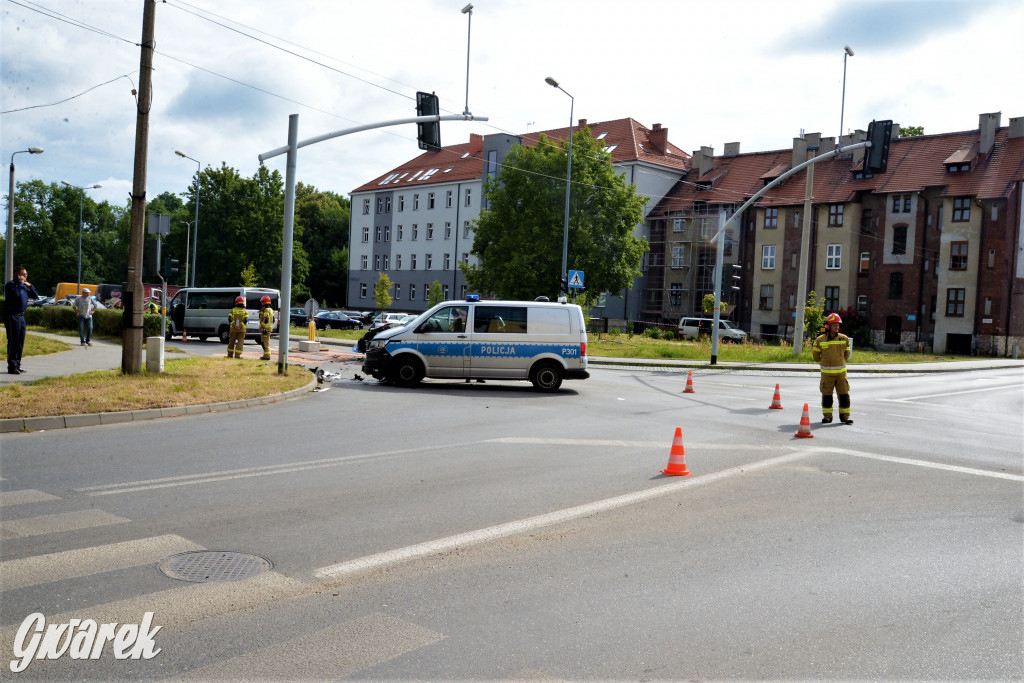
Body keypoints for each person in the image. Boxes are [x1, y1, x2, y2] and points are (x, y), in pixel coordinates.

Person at [812, 312, 853, 424]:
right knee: (827, 396)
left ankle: (845, 417)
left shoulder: (844, 339)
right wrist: (823, 362)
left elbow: (847, 353)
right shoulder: (820, 340)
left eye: (838, 325)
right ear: (828, 326)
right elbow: (816, 355)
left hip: (841, 374)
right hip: (826, 374)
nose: (837, 327)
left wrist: (840, 362)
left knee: (844, 395)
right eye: (835, 325)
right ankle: (827, 417)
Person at [3, 266, 40, 374]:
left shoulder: (24, 286)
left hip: (21, 316)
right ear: (17, 274)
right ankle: (12, 366)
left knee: (20, 341)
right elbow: (16, 294)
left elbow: (36, 296)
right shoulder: (11, 285)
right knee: (13, 340)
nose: (25, 276)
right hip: (12, 316)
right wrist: (20, 283)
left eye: (26, 274)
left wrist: (30, 286)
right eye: (23, 274)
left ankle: (18, 364)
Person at [258, 295, 274, 360]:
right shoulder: (271, 310)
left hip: (265, 329)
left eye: (262, 302)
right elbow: (273, 320)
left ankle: (267, 356)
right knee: (263, 342)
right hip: (268, 329)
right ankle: (265, 355)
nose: (261, 303)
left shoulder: (267, 310)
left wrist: (262, 326)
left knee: (265, 343)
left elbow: (266, 319)